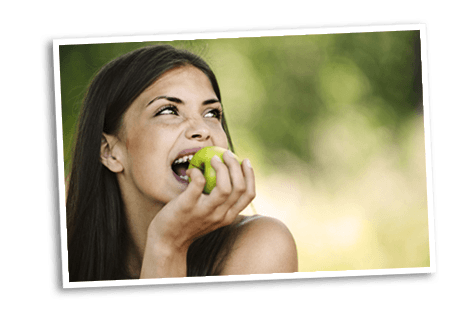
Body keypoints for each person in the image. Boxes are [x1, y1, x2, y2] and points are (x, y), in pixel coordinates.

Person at [66, 44, 298, 281]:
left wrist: (168, 245)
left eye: (211, 114)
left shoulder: (263, 246)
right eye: (168, 110)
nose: (202, 129)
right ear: (109, 152)